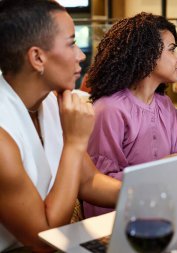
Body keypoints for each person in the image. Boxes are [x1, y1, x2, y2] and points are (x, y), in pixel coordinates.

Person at [0, 1, 121, 252]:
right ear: (37, 57)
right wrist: (75, 143)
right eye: (71, 43)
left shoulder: (53, 101)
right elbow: (43, 240)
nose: (82, 55)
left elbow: (88, 181)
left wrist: (151, 192)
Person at [83, 12, 177, 218]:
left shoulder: (165, 104)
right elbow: (99, 185)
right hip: (122, 219)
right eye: (171, 50)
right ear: (147, 54)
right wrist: (161, 167)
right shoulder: (109, 110)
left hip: (163, 207)